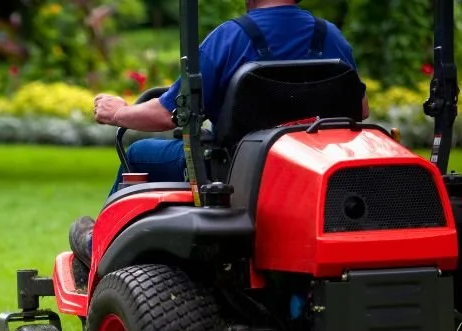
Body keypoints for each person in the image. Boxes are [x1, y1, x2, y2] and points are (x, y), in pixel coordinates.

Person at [69, 0, 369, 273]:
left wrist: (118, 112)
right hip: (313, 169)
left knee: (139, 152)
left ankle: (98, 246)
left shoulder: (230, 38)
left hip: (233, 172)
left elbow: (167, 113)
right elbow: (361, 109)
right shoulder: (330, 36)